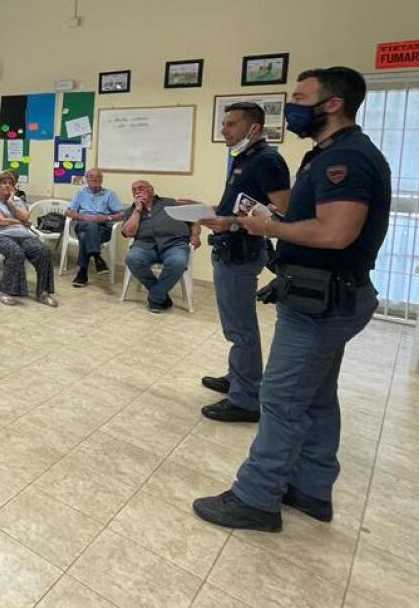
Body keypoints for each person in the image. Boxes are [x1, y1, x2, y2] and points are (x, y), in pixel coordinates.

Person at [194, 66, 390, 532]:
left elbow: (337, 232)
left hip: (323, 300)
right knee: (317, 396)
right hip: (320, 293)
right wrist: (245, 221)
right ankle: (311, 488)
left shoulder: (349, 158)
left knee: (280, 399)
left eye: (300, 97)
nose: (293, 105)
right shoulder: (323, 155)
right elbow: (298, 214)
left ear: (332, 103)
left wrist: (271, 228)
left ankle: (256, 498)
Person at [196, 102, 291, 423]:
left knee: (241, 328)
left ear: (253, 128)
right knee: (234, 325)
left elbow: (284, 212)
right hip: (229, 248)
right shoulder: (244, 158)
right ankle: (238, 377)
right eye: (223, 123)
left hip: (242, 252)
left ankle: (246, 398)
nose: (224, 129)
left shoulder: (267, 161)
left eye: (231, 124)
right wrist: (211, 212)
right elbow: (241, 206)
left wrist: (231, 223)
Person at [121, 180, 201, 312]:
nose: (137, 192)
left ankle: (155, 297)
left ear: (151, 190)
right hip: (145, 245)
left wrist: (195, 235)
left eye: (141, 188)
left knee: (178, 262)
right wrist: (137, 211)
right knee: (132, 259)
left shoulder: (170, 203)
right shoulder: (131, 209)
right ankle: (161, 295)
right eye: (134, 190)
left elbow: (194, 220)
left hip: (174, 244)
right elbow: (128, 232)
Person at [0, 172, 57, 307]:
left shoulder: (18, 201)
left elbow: (25, 218)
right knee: (16, 252)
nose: (8, 186)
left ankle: (43, 292)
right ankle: (4, 291)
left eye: (10, 184)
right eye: (4, 183)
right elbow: (0, 221)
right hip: (2, 236)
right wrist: (18, 222)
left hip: (23, 236)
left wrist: (11, 203)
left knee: (43, 251)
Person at [66, 168, 125, 287]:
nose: (94, 179)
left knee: (84, 237)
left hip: (103, 228)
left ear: (102, 180)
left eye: (98, 177)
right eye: (91, 176)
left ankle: (82, 273)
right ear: (86, 179)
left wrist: (107, 218)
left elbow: (122, 214)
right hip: (82, 224)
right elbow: (68, 212)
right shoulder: (80, 193)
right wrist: (84, 217)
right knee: (90, 225)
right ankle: (97, 256)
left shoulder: (110, 194)